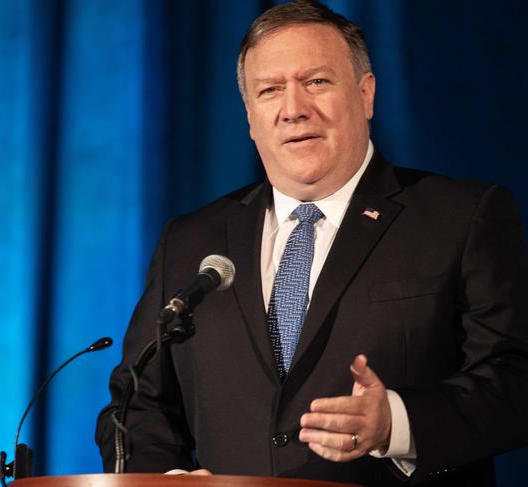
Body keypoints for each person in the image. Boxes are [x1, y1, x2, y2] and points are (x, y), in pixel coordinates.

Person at [96, 1, 528, 485]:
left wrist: (397, 423)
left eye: (317, 82)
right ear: (250, 116)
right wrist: (164, 477)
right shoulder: (191, 240)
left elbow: (514, 379)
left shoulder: (460, 217)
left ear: (365, 95)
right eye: (270, 90)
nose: (293, 109)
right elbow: (137, 402)